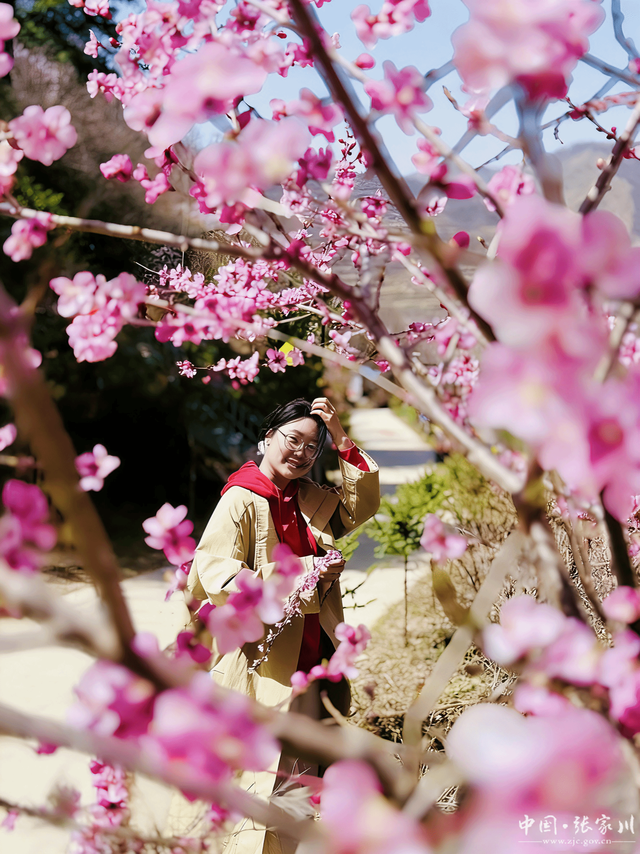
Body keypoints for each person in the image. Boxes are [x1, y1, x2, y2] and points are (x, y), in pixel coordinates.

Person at [183, 396, 380, 854]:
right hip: (264, 664)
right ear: (268, 436)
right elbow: (216, 577)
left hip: (311, 664)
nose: (302, 453)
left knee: (298, 787)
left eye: (313, 447)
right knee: (258, 783)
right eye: (294, 440)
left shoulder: (308, 497)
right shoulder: (241, 498)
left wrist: (341, 438)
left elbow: (361, 506)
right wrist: (306, 572)